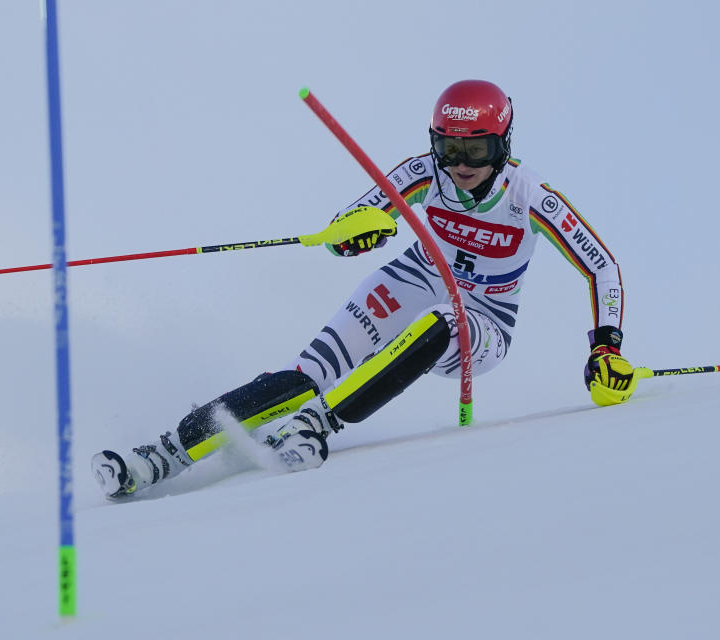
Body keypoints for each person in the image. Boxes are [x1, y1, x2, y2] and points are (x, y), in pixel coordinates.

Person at [91, 79, 636, 499]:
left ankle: (317, 426)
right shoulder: (426, 173)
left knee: (447, 322)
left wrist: (605, 346)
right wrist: (355, 237)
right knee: (306, 376)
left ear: (504, 145)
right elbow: (349, 223)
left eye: (478, 151)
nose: (462, 165)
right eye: (450, 148)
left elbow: (602, 266)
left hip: (484, 318)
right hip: (414, 279)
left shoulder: (529, 196)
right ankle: (163, 454)